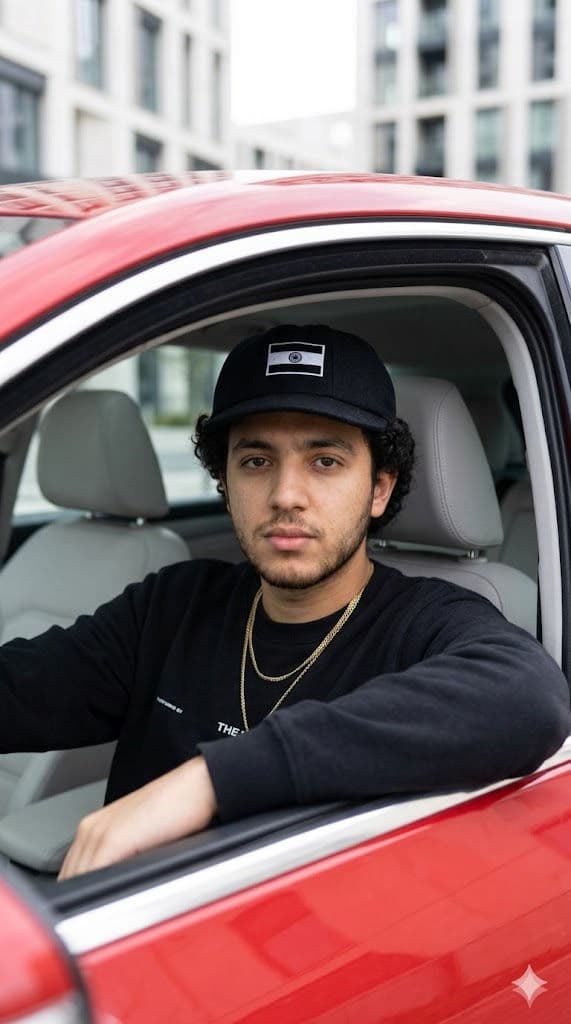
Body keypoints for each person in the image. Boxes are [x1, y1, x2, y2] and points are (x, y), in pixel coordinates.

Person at [0, 324, 568, 881]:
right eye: (256, 461)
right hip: (131, 933)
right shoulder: (174, 605)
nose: (285, 495)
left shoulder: (424, 622)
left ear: (379, 488)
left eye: (325, 461)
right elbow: (21, 690)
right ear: (225, 479)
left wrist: (210, 780)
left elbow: (532, 697)